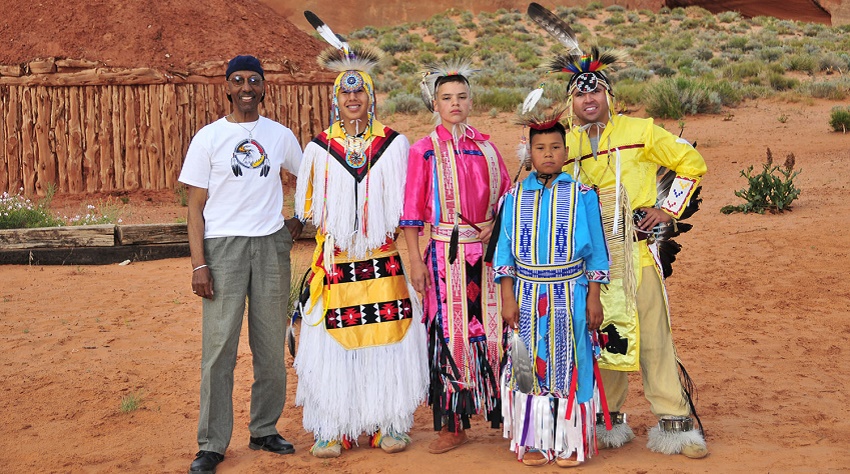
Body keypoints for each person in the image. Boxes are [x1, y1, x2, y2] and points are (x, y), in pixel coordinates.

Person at [552, 45, 709, 458]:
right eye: (581, 94)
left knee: (655, 336)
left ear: (609, 96)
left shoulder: (640, 132)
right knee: (599, 337)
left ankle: (674, 424)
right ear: (571, 102)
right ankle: (607, 420)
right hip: (590, 262)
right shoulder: (564, 144)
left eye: (596, 91)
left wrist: (667, 209)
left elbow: (690, 161)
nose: (590, 99)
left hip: (637, 253)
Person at [292, 40, 428, 459]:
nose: (353, 98)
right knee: (331, 343)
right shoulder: (318, 148)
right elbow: (310, 208)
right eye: (345, 92)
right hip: (336, 263)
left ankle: (387, 423)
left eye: (360, 91)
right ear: (336, 99)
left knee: (388, 340)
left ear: (371, 98)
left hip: (382, 261)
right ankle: (332, 427)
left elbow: (405, 208)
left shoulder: (392, 145)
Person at [178, 54, 303, 474]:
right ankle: (212, 443)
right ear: (227, 87)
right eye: (238, 80)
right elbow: (195, 208)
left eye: (254, 79)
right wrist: (199, 265)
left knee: (269, 346)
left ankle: (264, 428)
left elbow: (308, 178)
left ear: (264, 87)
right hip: (223, 248)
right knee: (219, 350)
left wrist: (297, 221)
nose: (246, 86)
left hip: (270, 246)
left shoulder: (281, 136)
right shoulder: (208, 138)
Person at [401, 60, 511, 454]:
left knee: (495, 333)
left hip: (488, 254)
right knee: (448, 335)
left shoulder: (487, 147)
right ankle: (453, 423)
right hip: (444, 255)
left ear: (471, 101)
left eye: (462, 97)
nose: (455, 104)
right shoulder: (423, 151)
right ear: (435, 103)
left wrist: (495, 222)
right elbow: (411, 214)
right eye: (447, 98)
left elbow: (507, 199)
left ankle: (504, 415)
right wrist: (415, 261)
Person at [495, 116, 610, 468]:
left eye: (555, 147)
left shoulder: (583, 195)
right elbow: (504, 252)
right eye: (540, 148)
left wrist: (593, 296)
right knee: (528, 365)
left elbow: (597, 252)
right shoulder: (513, 197)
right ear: (528, 152)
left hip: (570, 293)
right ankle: (534, 439)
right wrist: (507, 296)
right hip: (527, 294)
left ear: (566, 151)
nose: (548, 154)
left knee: (569, 362)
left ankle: (569, 441)